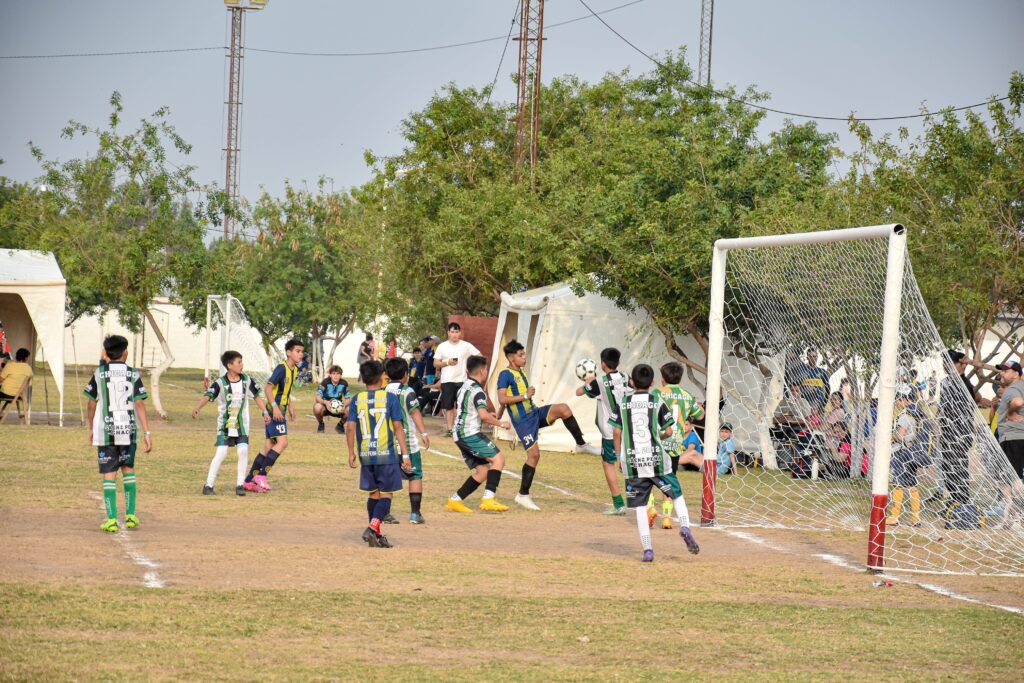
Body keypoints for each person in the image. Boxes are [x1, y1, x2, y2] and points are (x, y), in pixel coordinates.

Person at [610, 364, 699, 562]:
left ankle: (648, 550)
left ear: (631, 382)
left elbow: (616, 432)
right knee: (676, 494)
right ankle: (684, 525)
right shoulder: (657, 401)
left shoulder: (623, 403)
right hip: (657, 460)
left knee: (640, 507)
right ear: (652, 383)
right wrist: (656, 436)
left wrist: (618, 456)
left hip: (633, 461)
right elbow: (668, 431)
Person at [497, 339, 598, 511]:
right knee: (534, 456)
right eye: (521, 355)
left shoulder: (521, 372)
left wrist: (498, 415)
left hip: (534, 413)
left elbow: (504, 403)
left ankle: (581, 444)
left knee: (564, 409)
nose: (524, 358)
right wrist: (525, 396)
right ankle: (522, 495)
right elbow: (502, 398)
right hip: (523, 422)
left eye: (524, 355)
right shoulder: (505, 374)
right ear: (511, 358)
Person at [85, 335, 153, 532]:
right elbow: (139, 403)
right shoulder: (133, 374)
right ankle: (131, 516)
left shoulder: (99, 373)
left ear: (105, 353)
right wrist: (147, 432)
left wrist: (91, 427)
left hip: (106, 431)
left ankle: (112, 519)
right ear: (126, 352)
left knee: (109, 474)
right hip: (128, 430)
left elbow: (91, 402)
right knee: (128, 470)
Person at [347, 360, 409, 548]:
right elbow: (398, 427)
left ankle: (377, 535)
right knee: (387, 495)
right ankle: (373, 528)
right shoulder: (389, 398)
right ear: (381, 377)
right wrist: (405, 455)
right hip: (386, 453)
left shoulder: (357, 399)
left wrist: (351, 452)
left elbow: (350, 428)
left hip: (366, 453)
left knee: (374, 495)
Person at [192, 350, 270, 497]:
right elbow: (208, 396)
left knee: (243, 451)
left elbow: (257, 396)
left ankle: (240, 485)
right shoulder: (220, 383)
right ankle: (208, 485)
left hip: (242, 425)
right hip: (225, 425)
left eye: (241, 361)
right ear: (229, 365)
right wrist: (197, 408)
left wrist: (265, 411)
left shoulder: (247, 380)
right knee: (221, 453)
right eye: (238, 362)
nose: (242, 365)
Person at [445, 355, 512, 513]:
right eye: (486, 369)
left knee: (483, 471)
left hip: (460, 433)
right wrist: (502, 423)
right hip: (469, 434)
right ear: (482, 371)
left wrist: (489, 417)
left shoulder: (465, 386)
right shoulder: (478, 390)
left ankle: (455, 500)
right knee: (499, 459)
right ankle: (489, 499)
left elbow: (470, 410)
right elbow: (482, 414)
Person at [576, 347, 630, 515]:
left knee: (609, 464)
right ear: (618, 362)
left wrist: (587, 381)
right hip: (629, 426)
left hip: (611, 429)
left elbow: (578, 393)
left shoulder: (599, 382)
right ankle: (641, 500)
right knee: (631, 463)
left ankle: (619, 503)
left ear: (602, 364)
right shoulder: (626, 376)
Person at [244, 338, 303, 492]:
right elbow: (268, 388)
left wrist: (290, 405)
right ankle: (261, 475)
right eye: (298, 351)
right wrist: (275, 408)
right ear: (289, 353)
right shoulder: (281, 368)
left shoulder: (294, 369)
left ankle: (249, 480)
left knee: (269, 445)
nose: (300, 354)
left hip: (280, 410)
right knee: (282, 443)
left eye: (302, 351)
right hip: (274, 412)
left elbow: (285, 391)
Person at [651, 362, 705, 528]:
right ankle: (666, 517)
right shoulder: (687, 395)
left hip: (657, 441)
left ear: (663, 379)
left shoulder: (656, 393)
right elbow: (701, 415)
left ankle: (650, 507)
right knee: (669, 479)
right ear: (680, 379)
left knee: (648, 477)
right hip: (674, 445)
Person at [936, 350, 989, 509]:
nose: (946, 365)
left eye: (950, 362)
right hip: (947, 432)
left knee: (958, 467)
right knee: (947, 468)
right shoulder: (945, 382)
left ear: (962, 365)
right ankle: (952, 502)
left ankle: (962, 503)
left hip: (959, 433)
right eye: (945, 362)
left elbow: (965, 410)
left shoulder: (964, 384)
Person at [385, 357, 431, 524]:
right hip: (408, 443)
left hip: (387, 443)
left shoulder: (382, 391)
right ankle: (415, 514)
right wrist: (424, 434)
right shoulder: (407, 391)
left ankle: (385, 513)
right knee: (415, 476)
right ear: (405, 374)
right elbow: (415, 413)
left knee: (388, 477)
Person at [434, 322, 480, 437]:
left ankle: (461, 428)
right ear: (448, 333)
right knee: (448, 406)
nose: (455, 334)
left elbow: (479, 356)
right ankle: (450, 429)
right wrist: (447, 362)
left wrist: (471, 368)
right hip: (447, 380)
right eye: (452, 332)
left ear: (460, 333)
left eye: (457, 332)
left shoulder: (466, 345)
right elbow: (435, 363)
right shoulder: (442, 346)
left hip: (462, 380)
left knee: (462, 406)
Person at [887, 387, 925, 527]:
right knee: (912, 485)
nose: (897, 403)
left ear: (903, 399)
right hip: (913, 453)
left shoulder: (904, 416)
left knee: (898, 484)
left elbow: (900, 437)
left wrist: (889, 434)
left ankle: (894, 516)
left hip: (901, 453)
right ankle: (916, 518)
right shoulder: (917, 415)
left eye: (898, 400)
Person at [995, 361, 1024, 528]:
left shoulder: (1014, 389)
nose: (1002, 374)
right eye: (1002, 371)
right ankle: (1010, 518)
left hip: (1013, 438)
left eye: (1006, 371)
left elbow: (1018, 402)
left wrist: (1011, 412)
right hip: (1015, 437)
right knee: (1006, 479)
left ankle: (1016, 519)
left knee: (1012, 479)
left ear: (1016, 373)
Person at [314, 365, 350, 434]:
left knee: (350, 409)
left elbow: (348, 399)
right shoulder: (325, 382)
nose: (336, 376)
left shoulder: (344, 383)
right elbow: (317, 397)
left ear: (341, 375)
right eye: (333, 374)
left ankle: (340, 425)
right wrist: (325, 402)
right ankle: (321, 424)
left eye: (338, 374)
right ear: (330, 375)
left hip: (338, 407)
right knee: (317, 407)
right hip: (326, 407)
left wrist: (344, 405)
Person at [801, 347, 831, 412]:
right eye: (810, 356)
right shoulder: (802, 371)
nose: (813, 358)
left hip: (818, 407)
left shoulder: (822, 372)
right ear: (807, 358)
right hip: (804, 406)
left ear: (817, 357)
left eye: (814, 356)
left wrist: (823, 404)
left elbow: (828, 389)